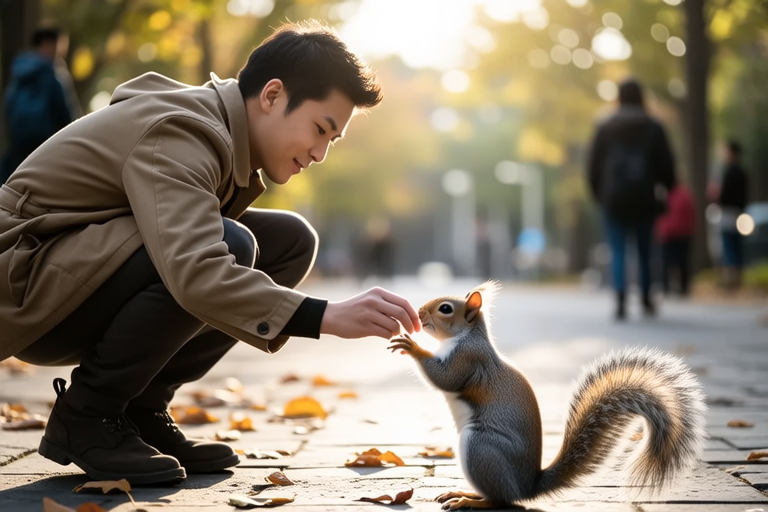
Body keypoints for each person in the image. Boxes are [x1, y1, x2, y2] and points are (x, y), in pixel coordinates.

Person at [0, 20, 420, 485]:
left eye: (331, 141)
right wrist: (324, 316)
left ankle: (140, 406)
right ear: (272, 95)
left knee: (289, 241)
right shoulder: (183, 131)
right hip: (26, 287)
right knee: (229, 244)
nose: (320, 153)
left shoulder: (216, 133)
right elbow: (196, 269)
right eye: (320, 129)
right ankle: (87, 414)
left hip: (71, 272)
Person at [587, 78, 676, 320]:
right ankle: (646, 298)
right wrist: (667, 187)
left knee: (617, 250)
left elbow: (593, 165)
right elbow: (666, 164)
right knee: (645, 250)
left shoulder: (605, 127)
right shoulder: (653, 127)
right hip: (645, 197)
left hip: (613, 199)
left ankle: (620, 299)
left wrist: (598, 194)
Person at [1, 27, 74, 185]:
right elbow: (64, 113)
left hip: (18, 142)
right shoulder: (53, 73)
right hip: (46, 142)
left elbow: (8, 104)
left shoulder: (18, 71)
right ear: (50, 45)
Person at [717, 140, 749, 289]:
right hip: (739, 213)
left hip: (729, 213)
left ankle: (732, 277)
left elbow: (725, 196)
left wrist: (718, 199)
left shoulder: (729, 173)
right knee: (736, 245)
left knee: (729, 245)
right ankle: (737, 275)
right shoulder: (742, 172)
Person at [655, 183, 696, 296]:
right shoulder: (686, 195)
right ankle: (683, 287)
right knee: (683, 262)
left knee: (667, 262)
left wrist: (660, 231)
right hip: (683, 233)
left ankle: (666, 287)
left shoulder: (665, 195)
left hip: (669, 234)